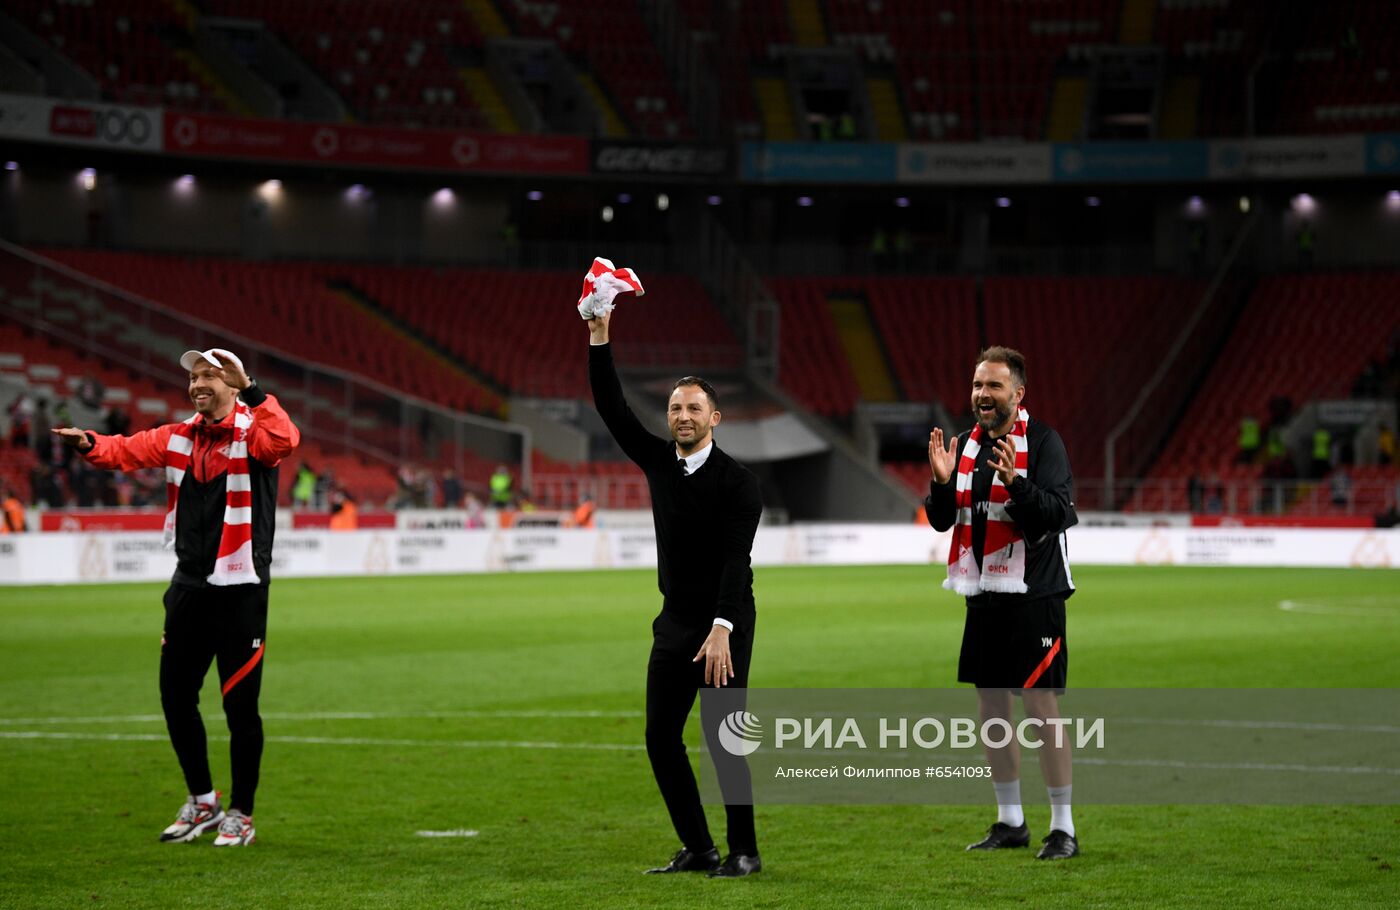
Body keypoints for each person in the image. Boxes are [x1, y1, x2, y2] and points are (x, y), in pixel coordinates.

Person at [53, 347, 299, 847]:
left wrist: (253, 389)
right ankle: (202, 802)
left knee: (240, 709)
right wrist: (89, 443)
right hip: (188, 586)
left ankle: (241, 813)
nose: (198, 384)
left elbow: (285, 441)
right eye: (194, 377)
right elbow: (126, 450)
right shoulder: (177, 436)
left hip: (241, 588)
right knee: (175, 697)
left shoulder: (255, 436)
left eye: (211, 376)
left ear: (233, 384)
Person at [586, 304, 765, 878]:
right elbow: (612, 409)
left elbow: (737, 563)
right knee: (661, 737)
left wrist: (722, 629)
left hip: (725, 621)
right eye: (674, 408)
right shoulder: (660, 463)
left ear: (716, 417)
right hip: (675, 620)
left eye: (693, 408)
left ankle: (744, 851)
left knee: (724, 738)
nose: (682, 416)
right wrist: (600, 335)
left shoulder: (739, 484)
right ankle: (699, 847)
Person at [924, 346, 1080, 861]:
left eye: (993, 386)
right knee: (991, 705)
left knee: (1040, 707)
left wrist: (1018, 483)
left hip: (1035, 594)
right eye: (977, 385)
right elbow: (947, 521)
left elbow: (1057, 514)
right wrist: (942, 485)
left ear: (1018, 393)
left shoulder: (1043, 442)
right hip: (983, 592)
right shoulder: (966, 445)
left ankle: (1063, 828)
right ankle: (1010, 820)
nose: (982, 395)